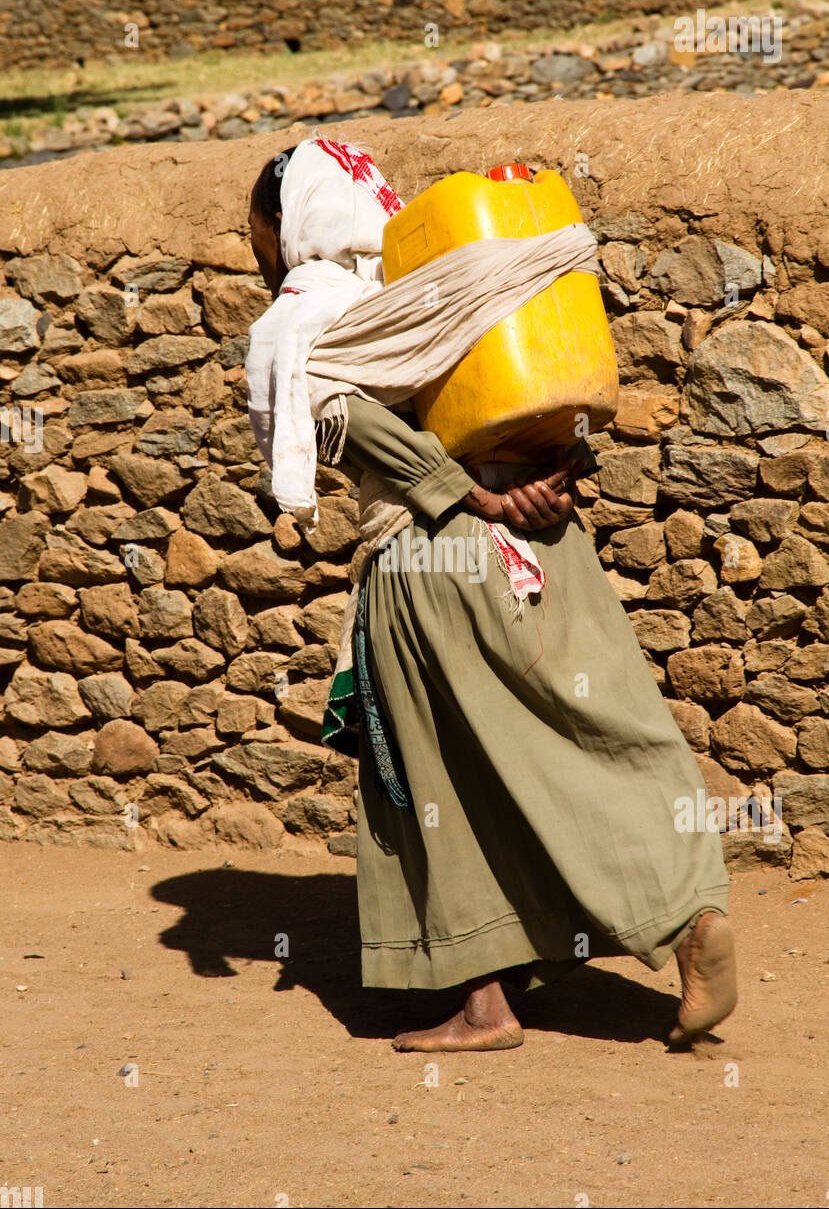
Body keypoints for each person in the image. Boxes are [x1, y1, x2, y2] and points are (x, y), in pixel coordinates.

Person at [246, 138, 737, 1054]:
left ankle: (488, 1002)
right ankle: (686, 911)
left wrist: (467, 493)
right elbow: (539, 384)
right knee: (594, 730)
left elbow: (333, 412)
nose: (257, 250)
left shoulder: (312, 308)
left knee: (439, 775)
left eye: (259, 229)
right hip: (549, 538)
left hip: (438, 557)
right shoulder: (448, 276)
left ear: (294, 222)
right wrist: (553, 475)